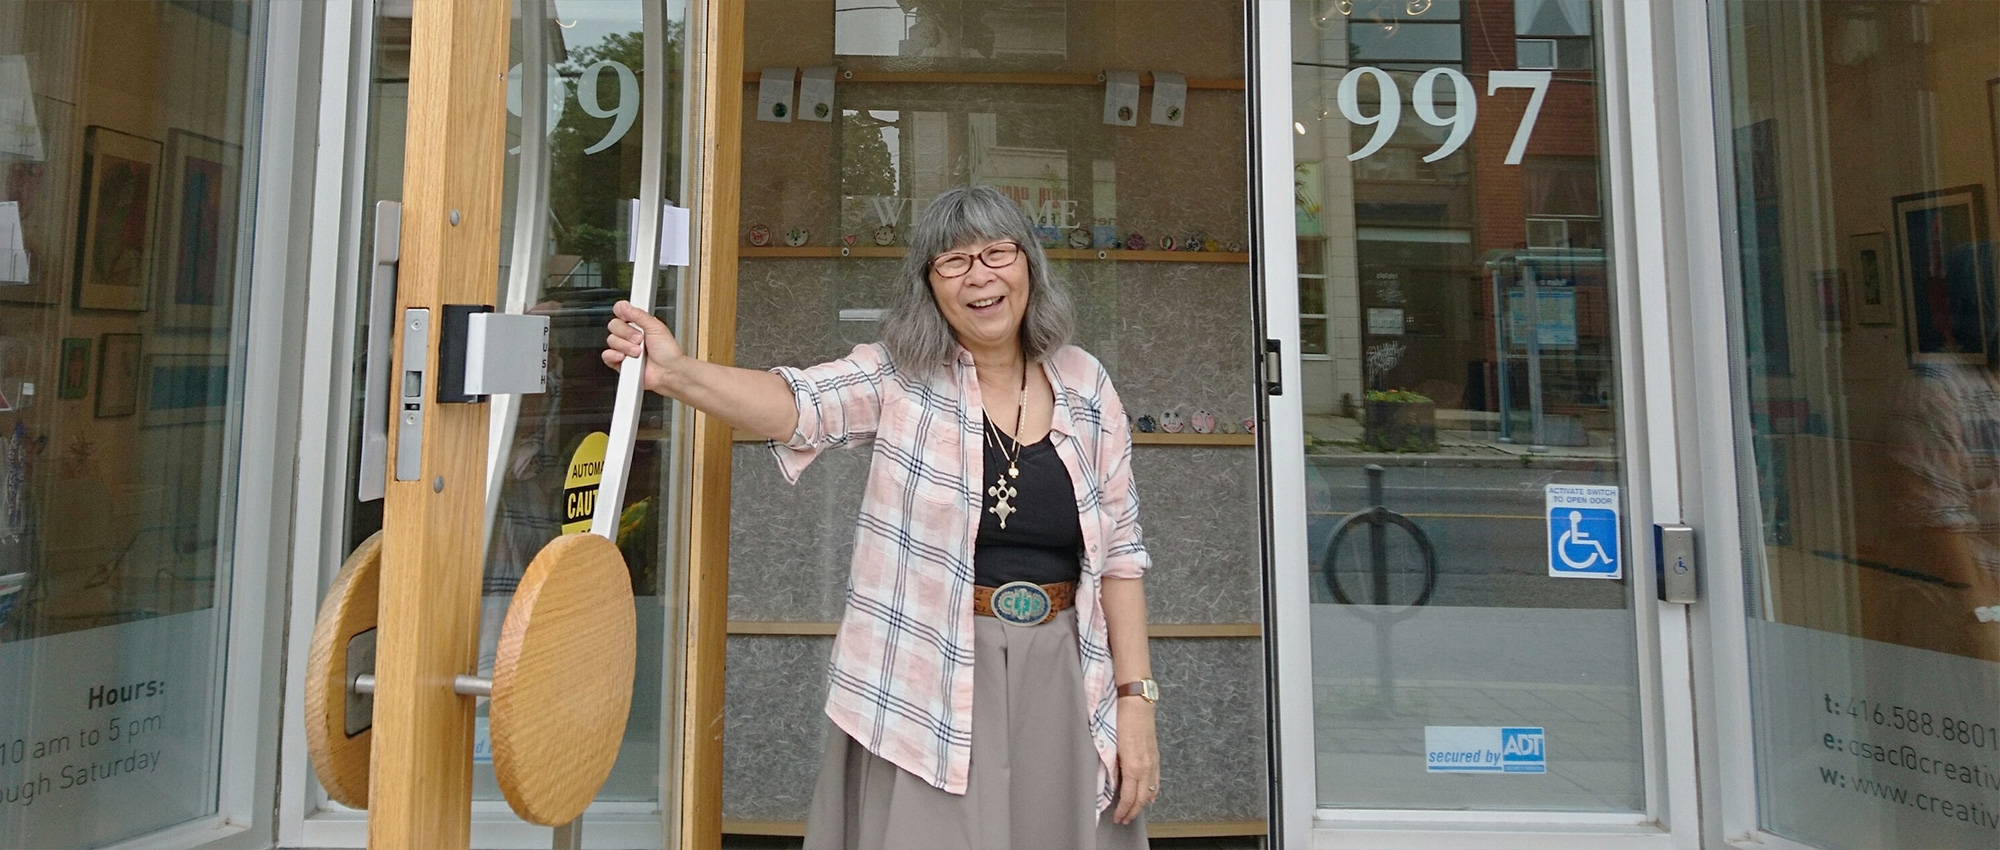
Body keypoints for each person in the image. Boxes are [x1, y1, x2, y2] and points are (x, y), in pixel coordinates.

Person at [602, 186, 1158, 848]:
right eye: (953, 262)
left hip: (1065, 670)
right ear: (930, 285)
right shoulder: (900, 377)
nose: (979, 276)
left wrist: (1136, 699)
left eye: (997, 253)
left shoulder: (1087, 385)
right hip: (927, 677)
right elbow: (797, 404)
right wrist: (678, 374)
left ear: (1029, 265)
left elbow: (1121, 555)